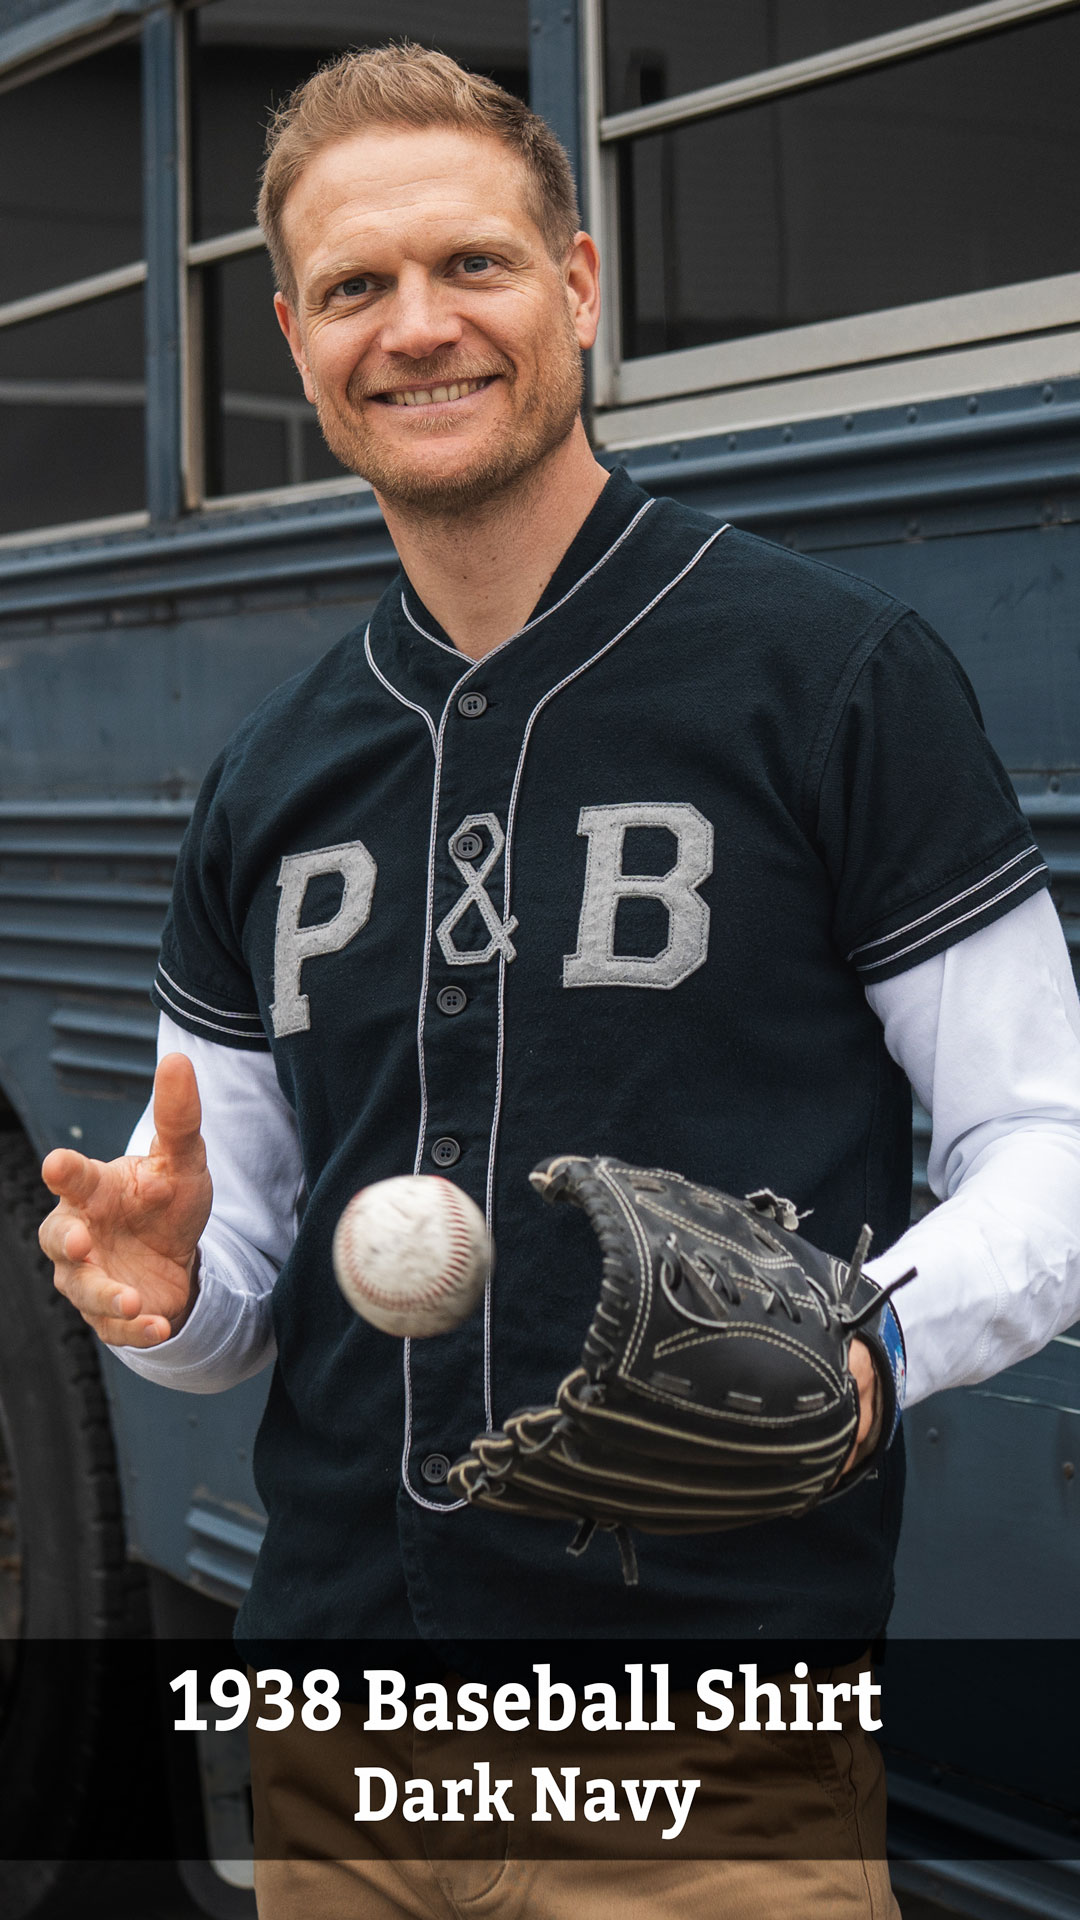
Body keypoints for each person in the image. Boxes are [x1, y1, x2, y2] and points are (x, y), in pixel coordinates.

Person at [37, 42, 1080, 1919]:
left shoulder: (832, 679)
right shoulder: (272, 774)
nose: (417, 327)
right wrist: (171, 1289)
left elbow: (1047, 1140)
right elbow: (247, 1294)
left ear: (577, 286)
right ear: (294, 336)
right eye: (357, 288)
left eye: (474, 267)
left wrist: (868, 1350)